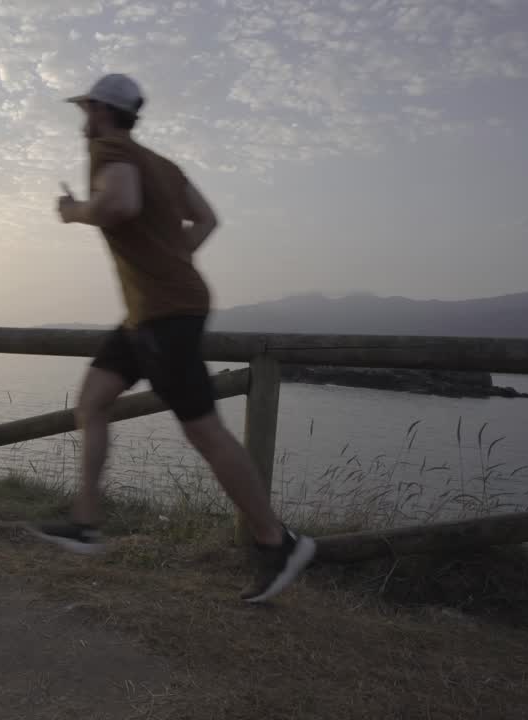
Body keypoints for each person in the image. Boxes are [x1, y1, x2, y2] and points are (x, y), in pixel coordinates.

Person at [31, 73, 315, 603]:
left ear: (101, 110)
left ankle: (278, 542)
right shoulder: (162, 165)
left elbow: (119, 205)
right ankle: (86, 523)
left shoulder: (109, 149)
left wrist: (74, 213)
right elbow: (206, 220)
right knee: (92, 402)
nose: (82, 119)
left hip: (165, 315)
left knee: (206, 433)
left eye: (86, 108)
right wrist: (172, 255)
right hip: (148, 314)